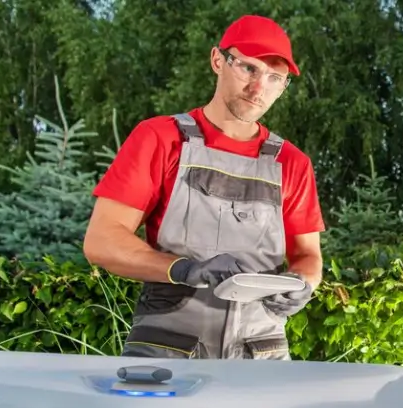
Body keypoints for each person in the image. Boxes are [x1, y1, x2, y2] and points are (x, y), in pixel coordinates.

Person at [82, 15, 324, 361]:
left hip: (261, 355)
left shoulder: (292, 163)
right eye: (248, 69)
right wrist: (185, 269)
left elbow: (308, 257)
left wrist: (303, 285)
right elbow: (102, 240)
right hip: (167, 350)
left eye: (274, 78)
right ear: (217, 60)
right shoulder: (160, 138)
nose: (259, 89)